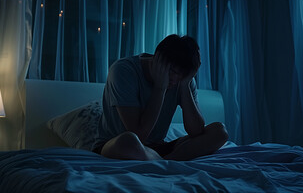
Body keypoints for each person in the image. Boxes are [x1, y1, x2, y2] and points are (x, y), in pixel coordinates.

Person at [91, 34, 228, 161]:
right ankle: (164, 163)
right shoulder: (123, 71)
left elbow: (196, 131)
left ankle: (166, 162)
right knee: (128, 141)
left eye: (181, 75)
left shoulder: (183, 79)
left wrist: (185, 84)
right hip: (117, 145)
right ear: (157, 59)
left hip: (157, 148)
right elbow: (139, 135)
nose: (174, 79)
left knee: (220, 131)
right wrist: (160, 88)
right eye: (172, 71)